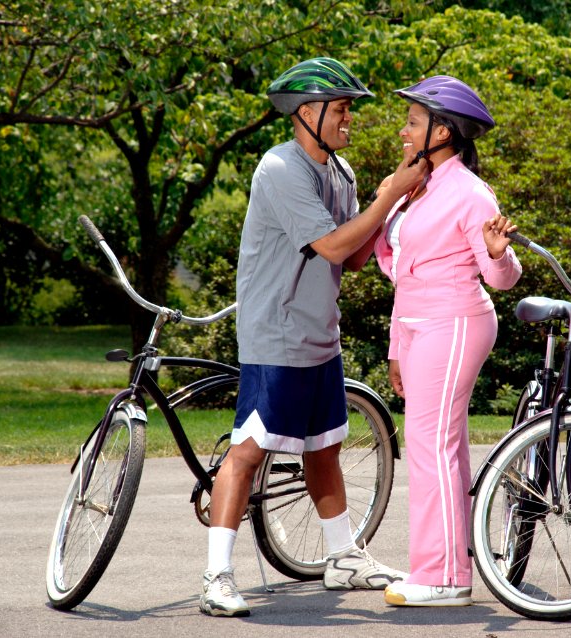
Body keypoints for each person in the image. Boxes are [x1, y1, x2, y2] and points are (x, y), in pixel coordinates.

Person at [199, 57, 428, 618]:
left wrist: (396, 205)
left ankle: (342, 557)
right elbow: (327, 246)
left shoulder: (341, 174)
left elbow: (348, 258)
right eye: (342, 108)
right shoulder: (280, 168)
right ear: (307, 112)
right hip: (275, 334)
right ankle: (217, 576)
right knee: (248, 452)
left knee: (324, 447)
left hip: (320, 334)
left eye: (350, 108)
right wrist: (387, 196)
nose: (350, 117)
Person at [373, 75, 523, 607]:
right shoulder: (418, 186)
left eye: (412, 123)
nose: (403, 131)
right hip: (417, 325)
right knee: (442, 444)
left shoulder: (469, 192)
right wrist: (396, 346)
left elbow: (501, 277)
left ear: (443, 131)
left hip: (456, 321)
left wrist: (499, 252)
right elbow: (404, 273)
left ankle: (442, 577)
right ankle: (449, 568)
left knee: (430, 444)